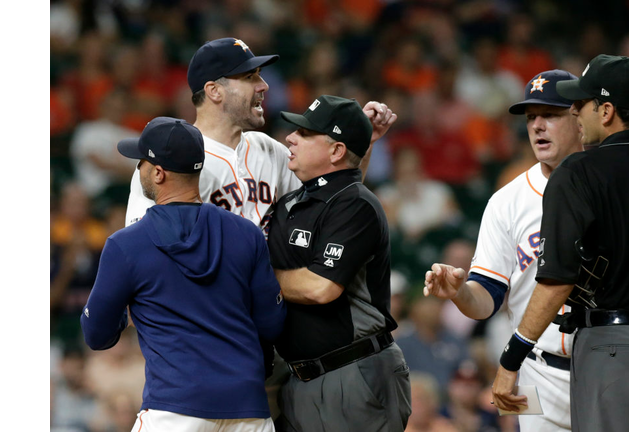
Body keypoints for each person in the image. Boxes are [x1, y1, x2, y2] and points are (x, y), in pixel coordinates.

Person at [489, 55, 629, 432]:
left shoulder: (578, 172)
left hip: (613, 348)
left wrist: (511, 359)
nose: (575, 111)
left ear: (607, 110)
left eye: (582, 103)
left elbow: (557, 280)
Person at [80, 116, 286, 432]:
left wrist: (129, 310)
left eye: (142, 162)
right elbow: (272, 323)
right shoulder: (246, 233)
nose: (138, 168)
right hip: (249, 410)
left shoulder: (127, 245)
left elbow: (96, 334)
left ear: (158, 173)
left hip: (174, 409)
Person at [423, 69, 583, 432]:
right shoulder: (506, 201)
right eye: (531, 117)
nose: (537, 126)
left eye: (550, 114)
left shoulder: (610, 186)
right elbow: (487, 300)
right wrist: (460, 293)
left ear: (579, 118)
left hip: (604, 362)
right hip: (536, 368)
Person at [124, 37, 396, 230]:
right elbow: (142, 250)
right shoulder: (169, 157)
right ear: (214, 91)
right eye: (249, 77)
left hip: (271, 294)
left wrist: (361, 142)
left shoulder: (269, 149)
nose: (264, 85)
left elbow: (336, 199)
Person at [266, 95, 411, 432]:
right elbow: (341, 182)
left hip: (353, 372)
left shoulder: (357, 205)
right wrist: (362, 140)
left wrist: (258, 279)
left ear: (335, 151)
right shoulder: (295, 200)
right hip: (299, 379)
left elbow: (321, 287)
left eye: (305, 133)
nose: (290, 137)